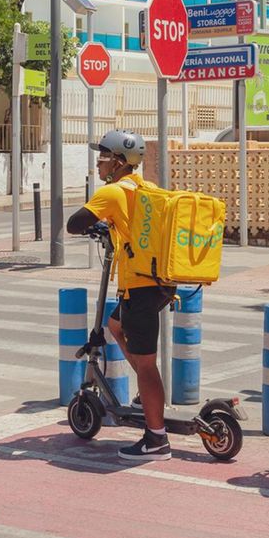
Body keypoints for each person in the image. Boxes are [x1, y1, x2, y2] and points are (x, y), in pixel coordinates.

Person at [65, 130, 174, 462]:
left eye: (102, 157)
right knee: (115, 326)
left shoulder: (112, 192)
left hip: (140, 286)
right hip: (158, 283)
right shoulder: (149, 189)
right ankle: (146, 396)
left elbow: (73, 224)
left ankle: (156, 440)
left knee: (146, 364)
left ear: (117, 161)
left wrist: (96, 222)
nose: (98, 163)